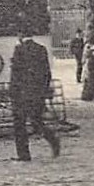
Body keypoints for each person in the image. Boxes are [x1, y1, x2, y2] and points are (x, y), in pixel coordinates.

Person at [9, 31, 60, 161]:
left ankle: (24, 155)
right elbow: (47, 73)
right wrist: (44, 90)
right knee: (36, 121)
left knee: (19, 124)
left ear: (20, 36)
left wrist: (12, 92)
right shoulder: (41, 49)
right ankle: (52, 139)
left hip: (21, 94)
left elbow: (16, 75)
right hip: (37, 93)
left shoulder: (19, 50)